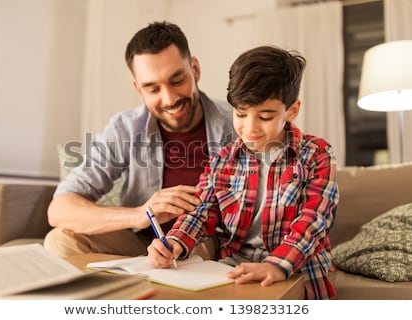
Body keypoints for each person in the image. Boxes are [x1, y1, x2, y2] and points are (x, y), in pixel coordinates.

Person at [147, 45, 340, 299]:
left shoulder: (317, 154)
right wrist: (174, 242)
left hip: (297, 268)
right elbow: (201, 214)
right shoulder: (223, 160)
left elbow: (314, 221)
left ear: (292, 110)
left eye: (265, 116)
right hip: (235, 268)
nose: (250, 128)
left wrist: (277, 265)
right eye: (241, 113)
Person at [43, 21, 235, 257]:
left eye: (177, 81)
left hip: (203, 242)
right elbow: (60, 209)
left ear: (195, 69)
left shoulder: (238, 123)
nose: (169, 99)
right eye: (153, 89)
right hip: (140, 243)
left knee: (200, 250)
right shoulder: (125, 129)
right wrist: (142, 214)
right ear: (138, 88)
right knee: (61, 240)